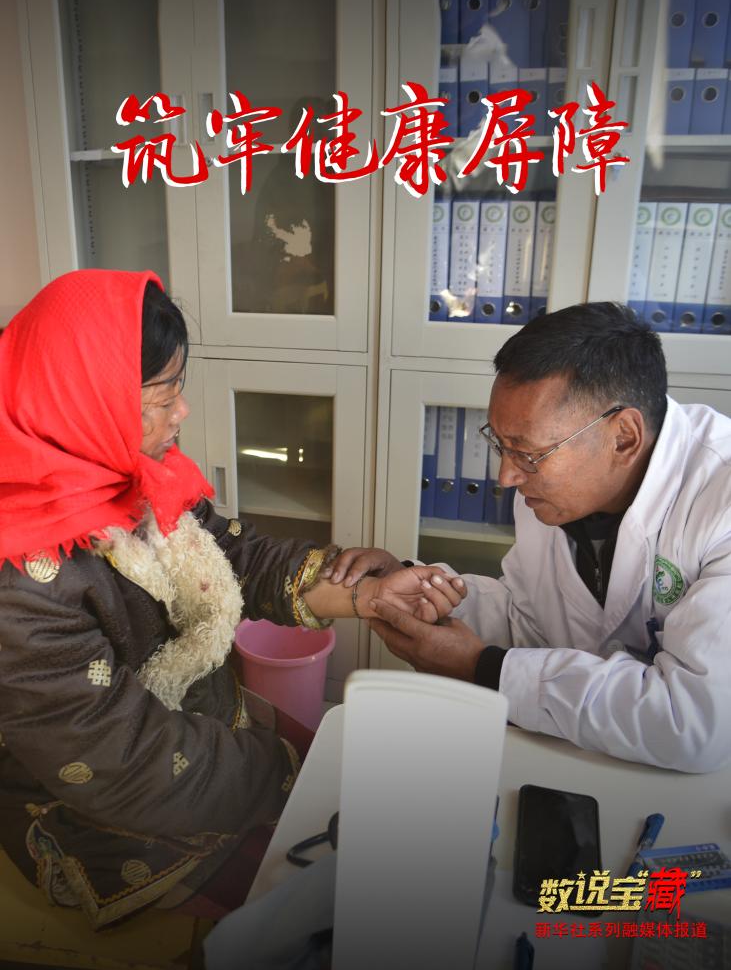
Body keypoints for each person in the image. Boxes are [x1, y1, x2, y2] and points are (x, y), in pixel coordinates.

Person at [0, 269, 463, 927]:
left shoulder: (120, 471)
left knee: (393, 811)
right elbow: (123, 762)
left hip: (212, 731)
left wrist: (369, 594)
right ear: (83, 398)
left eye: (178, 388)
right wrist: (288, 769)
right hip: (119, 810)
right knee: (351, 897)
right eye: (164, 395)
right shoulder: (20, 580)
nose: (181, 412)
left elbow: (231, 557)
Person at [353, 303, 731, 774]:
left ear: (624, 437)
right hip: (575, 757)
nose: (507, 476)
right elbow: (531, 618)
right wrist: (429, 591)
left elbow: (692, 723)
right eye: (501, 445)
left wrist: (484, 668)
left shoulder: (720, 499)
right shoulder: (547, 488)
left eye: (527, 453)